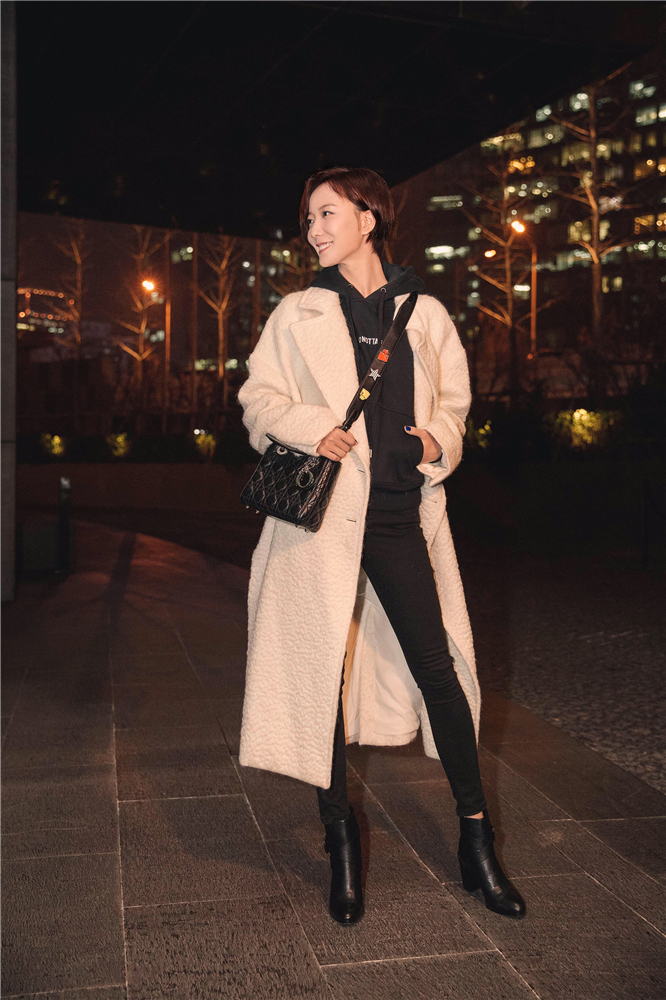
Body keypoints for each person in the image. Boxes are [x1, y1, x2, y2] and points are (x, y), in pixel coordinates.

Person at [237, 166, 525, 925]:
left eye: (328, 213)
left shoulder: (425, 313)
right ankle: (341, 843)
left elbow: (456, 401)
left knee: (441, 672)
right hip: (320, 522)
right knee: (320, 677)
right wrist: (308, 426)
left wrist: (437, 440)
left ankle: (477, 840)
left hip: (399, 517)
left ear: (369, 218)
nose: (314, 230)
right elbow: (257, 399)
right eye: (308, 218)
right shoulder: (297, 311)